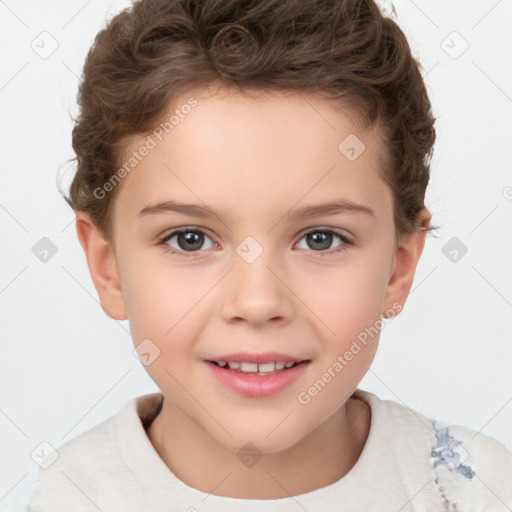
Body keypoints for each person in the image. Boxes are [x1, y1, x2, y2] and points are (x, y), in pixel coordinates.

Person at [27, 0, 512, 510]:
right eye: (189, 239)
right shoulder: (74, 496)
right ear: (109, 268)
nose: (257, 303)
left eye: (321, 238)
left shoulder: (473, 490)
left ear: (399, 266)